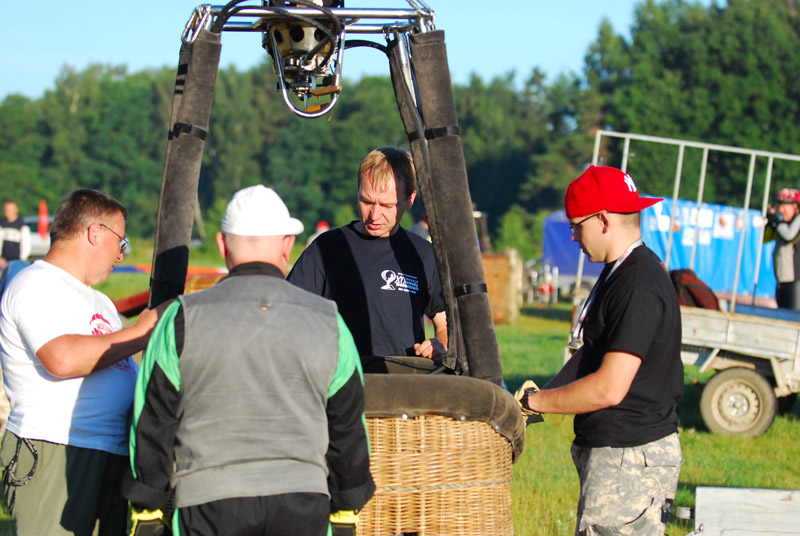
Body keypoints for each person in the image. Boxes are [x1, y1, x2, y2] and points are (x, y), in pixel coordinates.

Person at [123, 185, 374, 536]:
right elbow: (348, 426)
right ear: (288, 244)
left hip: (207, 503)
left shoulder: (181, 318)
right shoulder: (330, 321)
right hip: (304, 503)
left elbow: (152, 421)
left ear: (223, 245)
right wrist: (347, 506)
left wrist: (147, 507)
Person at [517, 165, 683, 535]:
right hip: (620, 453)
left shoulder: (637, 285)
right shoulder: (620, 271)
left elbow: (610, 386)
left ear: (603, 220)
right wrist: (537, 394)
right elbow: (593, 352)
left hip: (630, 455)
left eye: (576, 225)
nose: (573, 236)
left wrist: (538, 403)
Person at [0, 189, 163, 535]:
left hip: (106, 452)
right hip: (56, 451)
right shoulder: (35, 283)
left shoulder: (99, 301)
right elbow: (61, 358)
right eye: (122, 242)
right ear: (95, 233)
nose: (121, 256)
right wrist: (142, 331)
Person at [288, 147, 447, 359]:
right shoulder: (326, 249)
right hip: (344, 383)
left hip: (407, 383)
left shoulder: (423, 255)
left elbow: (445, 325)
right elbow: (289, 315)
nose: (374, 214)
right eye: (367, 201)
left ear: (410, 200)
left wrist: (440, 345)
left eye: (386, 205)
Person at [765, 188, 800, 310]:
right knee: (782, 316)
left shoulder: (797, 221)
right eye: (779, 206)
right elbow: (765, 238)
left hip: (796, 282)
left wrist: (777, 222)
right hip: (782, 281)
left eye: (784, 206)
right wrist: (770, 222)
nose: (781, 210)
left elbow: (789, 236)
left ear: (795, 206)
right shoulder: (783, 224)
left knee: (794, 318)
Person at [0, 200, 31, 270]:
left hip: (18, 259)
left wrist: (23, 258)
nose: (9, 212)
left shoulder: (21, 225)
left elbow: (26, 243)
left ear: (16, 210)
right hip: (4, 260)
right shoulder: (2, 224)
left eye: (11, 210)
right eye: (7, 210)